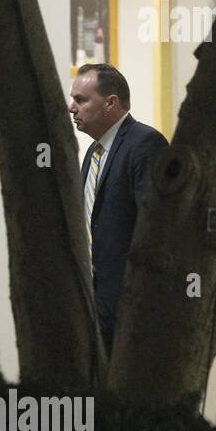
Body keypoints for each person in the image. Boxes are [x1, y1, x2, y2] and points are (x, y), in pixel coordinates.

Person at [68, 63, 168, 353]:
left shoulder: (145, 144)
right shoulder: (93, 152)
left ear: (111, 102)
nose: (71, 108)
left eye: (81, 100)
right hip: (92, 303)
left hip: (127, 307)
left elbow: (154, 229)